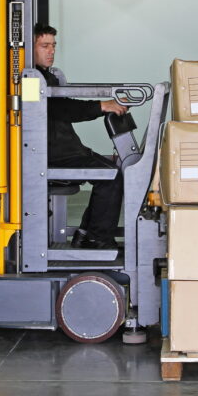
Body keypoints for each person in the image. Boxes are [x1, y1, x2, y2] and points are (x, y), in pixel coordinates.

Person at [33, 23, 127, 250]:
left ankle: (88, 234)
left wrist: (103, 105)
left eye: (53, 46)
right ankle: (96, 238)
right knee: (111, 177)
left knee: (114, 171)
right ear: (29, 48)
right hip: (56, 155)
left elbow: (62, 106)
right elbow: (61, 109)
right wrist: (101, 106)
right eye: (44, 45)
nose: (51, 51)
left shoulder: (45, 77)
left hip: (67, 150)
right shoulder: (31, 80)